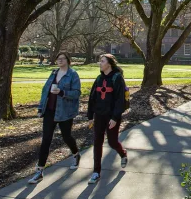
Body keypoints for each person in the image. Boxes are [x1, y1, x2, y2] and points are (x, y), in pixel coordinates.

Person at [28, 53, 82, 184]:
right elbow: (45, 90)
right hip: (50, 111)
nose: (60, 61)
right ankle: (39, 171)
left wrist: (62, 92)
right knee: (46, 140)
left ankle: (76, 154)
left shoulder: (73, 75)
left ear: (68, 61)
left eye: (62, 59)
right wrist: (41, 108)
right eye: (58, 59)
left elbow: (76, 93)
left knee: (66, 136)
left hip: (65, 112)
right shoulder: (53, 73)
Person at [86, 53, 128, 184]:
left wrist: (115, 117)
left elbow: (120, 100)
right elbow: (92, 98)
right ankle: (96, 172)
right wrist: (90, 116)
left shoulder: (117, 78)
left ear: (109, 63)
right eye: (100, 61)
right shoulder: (98, 79)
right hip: (99, 115)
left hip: (112, 117)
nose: (100, 63)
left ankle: (123, 153)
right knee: (97, 142)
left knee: (112, 142)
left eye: (102, 61)